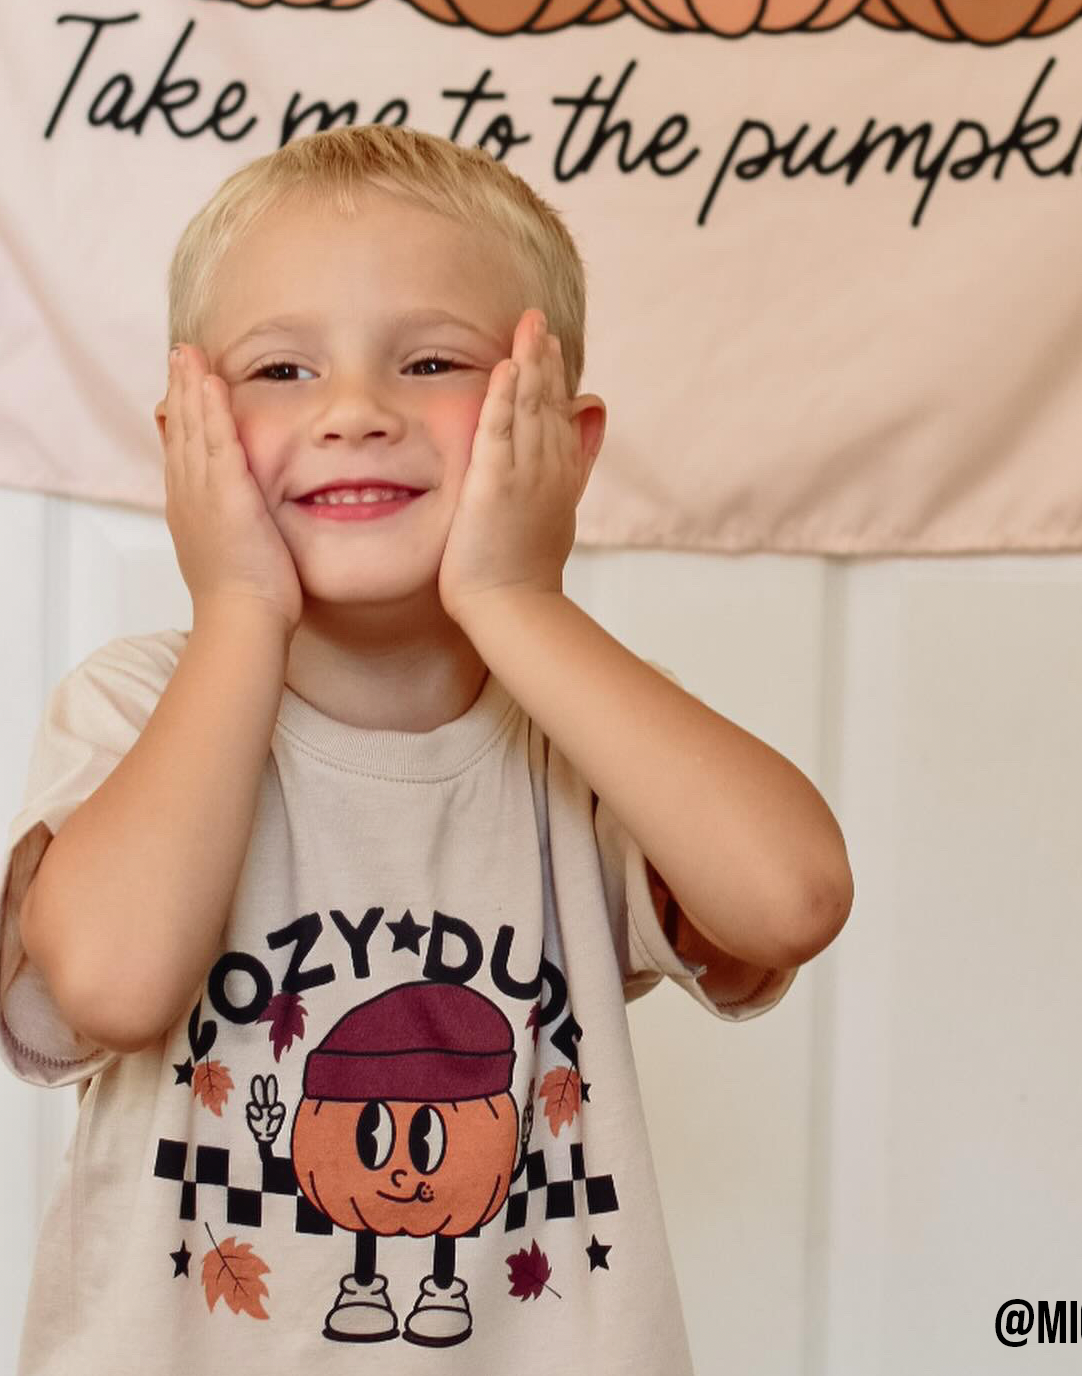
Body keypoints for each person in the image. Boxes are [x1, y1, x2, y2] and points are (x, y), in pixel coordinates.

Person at [0, 123, 853, 1373]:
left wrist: (519, 598)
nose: (354, 411)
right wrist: (239, 606)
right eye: (281, 369)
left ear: (563, 435)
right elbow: (116, 984)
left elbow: (792, 896)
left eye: (433, 359)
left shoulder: (584, 735)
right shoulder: (136, 708)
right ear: (189, 429)